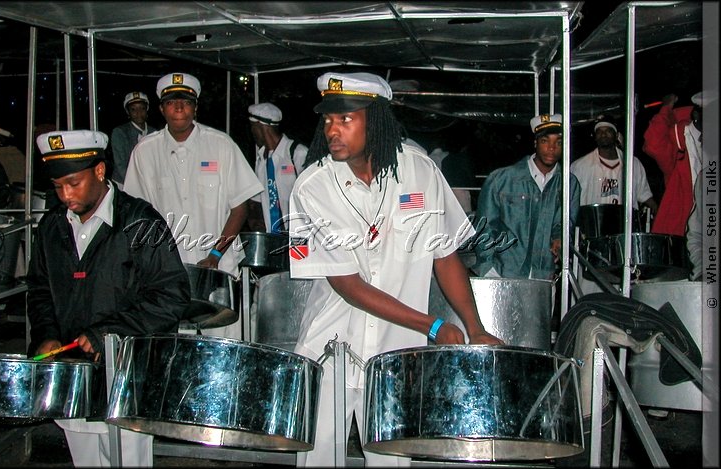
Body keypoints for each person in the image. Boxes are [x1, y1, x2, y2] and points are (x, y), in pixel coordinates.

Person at [288, 71, 503, 467]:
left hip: (396, 353)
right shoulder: (312, 185)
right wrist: (433, 326)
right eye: (328, 120)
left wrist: (476, 329)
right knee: (318, 459)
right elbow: (347, 283)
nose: (332, 130)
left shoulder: (421, 171)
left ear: (378, 118)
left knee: (392, 460)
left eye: (345, 119)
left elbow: (445, 255)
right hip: (331, 351)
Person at [26, 129, 192, 467]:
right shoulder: (52, 226)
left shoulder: (140, 221)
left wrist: (107, 333)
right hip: (74, 382)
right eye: (58, 187)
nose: (66, 195)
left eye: (73, 183)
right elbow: (40, 289)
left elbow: (171, 295)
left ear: (100, 171)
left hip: (127, 380)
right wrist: (46, 335)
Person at [123, 72, 263, 339]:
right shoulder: (144, 151)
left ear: (195, 107)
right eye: (172, 101)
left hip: (219, 269)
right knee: (172, 353)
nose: (179, 107)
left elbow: (240, 206)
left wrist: (215, 254)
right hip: (164, 277)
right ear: (162, 108)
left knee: (224, 351)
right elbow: (136, 214)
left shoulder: (221, 145)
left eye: (185, 101)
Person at [472, 113, 581, 280]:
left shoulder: (569, 184)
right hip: (502, 274)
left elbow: (566, 223)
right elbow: (484, 226)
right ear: (535, 143)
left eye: (558, 142)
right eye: (545, 141)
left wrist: (560, 238)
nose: (551, 148)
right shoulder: (502, 179)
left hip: (544, 275)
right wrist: (488, 268)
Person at [642, 92, 707, 236]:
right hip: (682, 230)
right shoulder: (680, 143)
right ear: (697, 115)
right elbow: (653, 144)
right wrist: (666, 108)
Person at [572, 119, 658, 215]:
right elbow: (570, 198)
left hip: (625, 224)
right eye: (599, 132)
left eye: (608, 131)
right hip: (592, 225)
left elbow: (644, 195)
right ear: (595, 137)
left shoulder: (633, 164)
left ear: (616, 135)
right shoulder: (580, 166)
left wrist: (658, 211)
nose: (603, 134)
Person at [246, 102, 308, 232]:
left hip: (298, 235)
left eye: (253, 127)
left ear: (262, 127)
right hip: (273, 237)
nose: (252, 132)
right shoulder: (261, 159)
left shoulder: (296, 153)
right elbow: (257, 200)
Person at [110, 91, 157, 187]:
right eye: (133, 109)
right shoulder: (120, 133)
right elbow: (120, 165)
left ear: (147, 109)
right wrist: (136, 185)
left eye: (142, 108)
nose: (138, 113)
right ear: (128, 112)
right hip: (124, 184)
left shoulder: (155, 133)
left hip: (150, 184)